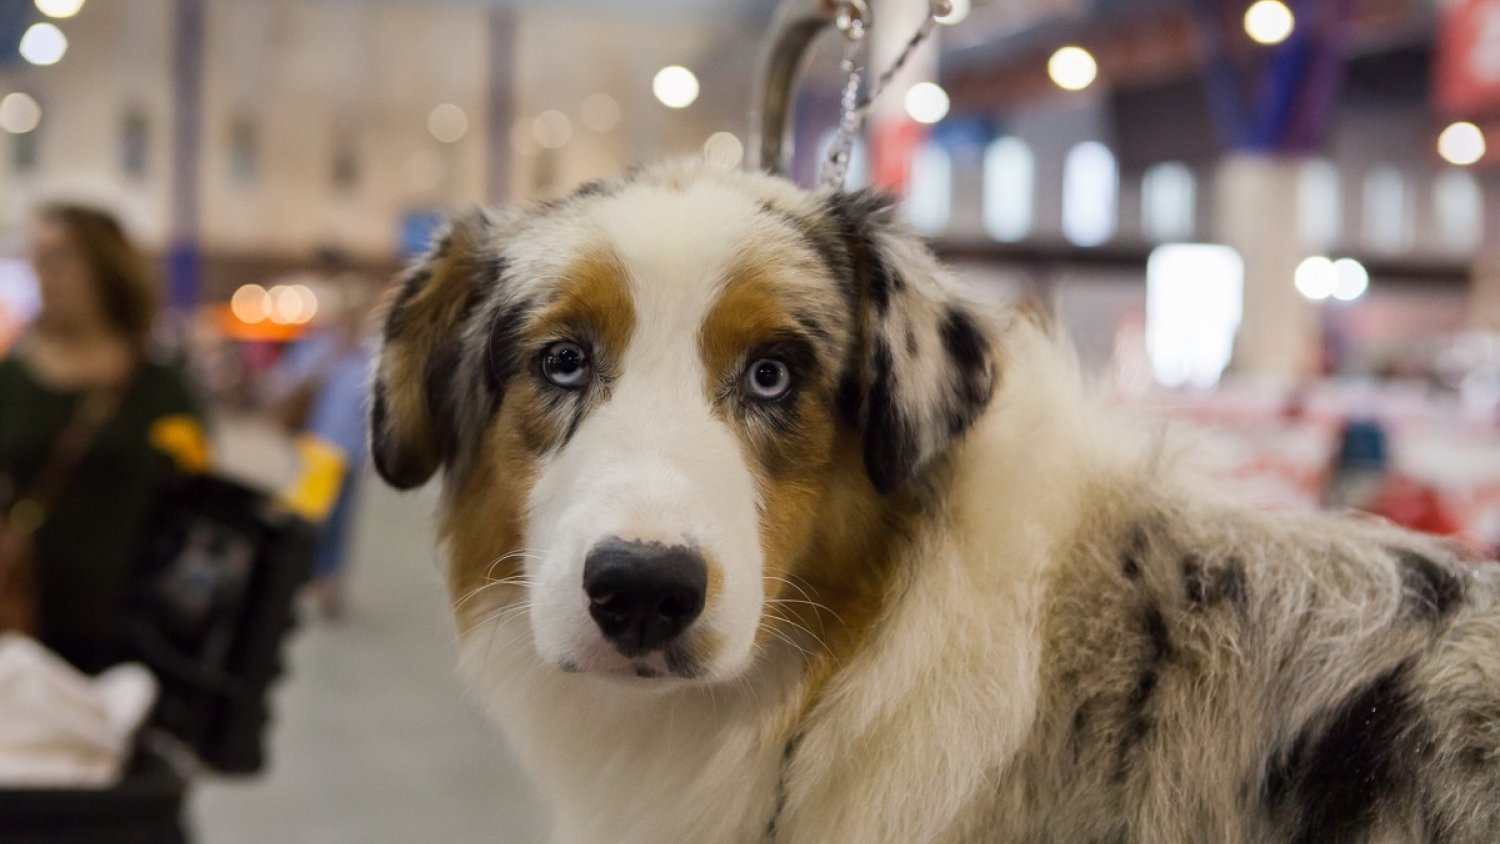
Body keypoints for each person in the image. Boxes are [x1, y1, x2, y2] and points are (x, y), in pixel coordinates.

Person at [0, 204, 205, 674]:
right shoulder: (11, 378)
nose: (47, 274)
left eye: (63, 257)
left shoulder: (160, 386)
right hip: (20, 615)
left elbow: (197, 494)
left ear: (105, 266)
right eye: (40, 258)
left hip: (129, 630)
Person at [264, 274, 374, 619]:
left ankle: (327, 580)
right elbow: (285, 382)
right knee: (309, 517)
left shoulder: (371, 351)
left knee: (340, 521)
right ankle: (302, 575)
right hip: (317, 449)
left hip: (351, 453)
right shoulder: (318, 345)